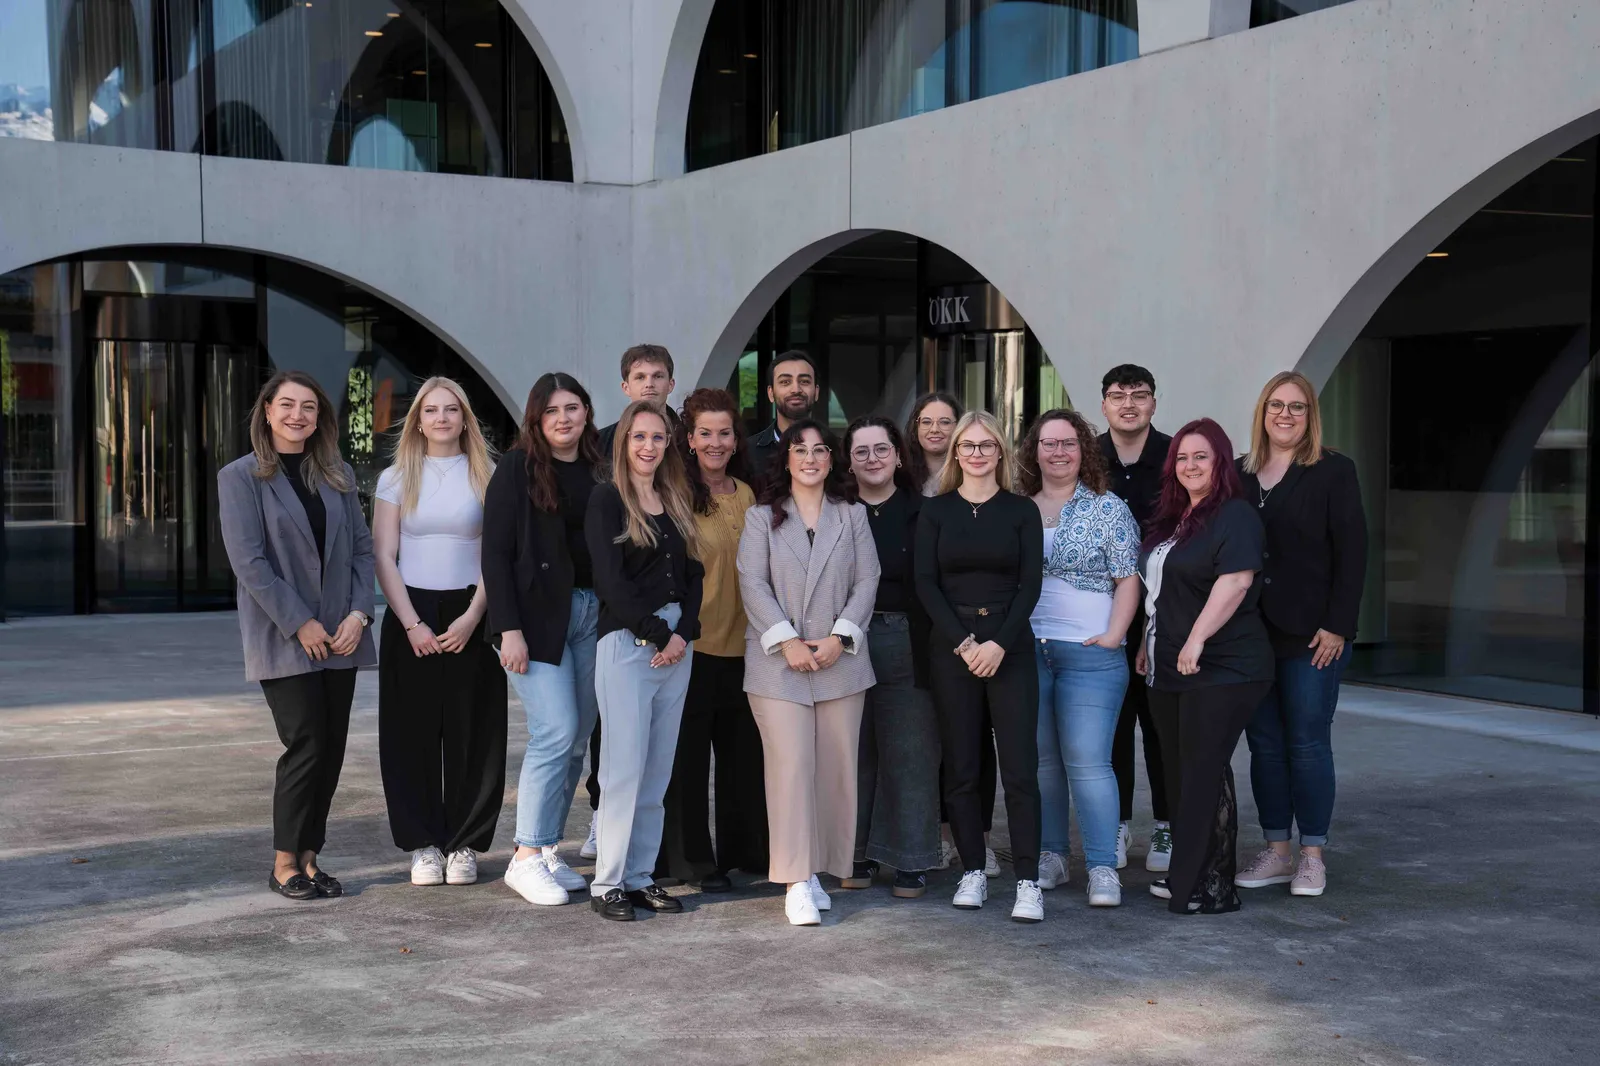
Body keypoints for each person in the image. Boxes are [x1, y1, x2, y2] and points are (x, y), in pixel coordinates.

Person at [217, 370, 375, 901]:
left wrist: (359, 615)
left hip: (342, 636)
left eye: (308, 407)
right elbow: (249, 562)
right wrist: (300, 622)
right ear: (267, 411)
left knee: (330, 748)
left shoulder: (338, 474)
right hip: (284, 633)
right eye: (287, 405)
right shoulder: (240, 477)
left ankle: (311, 858)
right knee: (305, 742)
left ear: (320, 418)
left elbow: (360, 550)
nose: (297, 415)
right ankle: (284, 861)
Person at [737, 420, 880, 926]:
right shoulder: (761, 518)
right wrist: (787, 640)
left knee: (835, 771)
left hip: (840, 660)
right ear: (787, 459)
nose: (811, 457)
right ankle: (796, 879)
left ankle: (819, 871)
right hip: (779, 664)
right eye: (801, 449)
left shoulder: (853, 516)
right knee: (791, 768)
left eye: (820, 449)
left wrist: (840, 637)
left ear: (831, 459)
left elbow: (868, 580)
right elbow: (752, 583)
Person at [1134, 418, 1274, 915]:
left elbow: (1234, 584)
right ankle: (1192, 874)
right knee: (1184, 773)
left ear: (1221, 463)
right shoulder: (1175, 518)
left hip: (1224, 665)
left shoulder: (1234, 516)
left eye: (1202, 457)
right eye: (1183, 458)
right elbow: (1162, 588)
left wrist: (1194, 640)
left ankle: (1206, 887)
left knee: (1200, 771)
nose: (1191, 466)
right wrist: (1152, 641)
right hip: (1169, 664)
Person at [1236, 370, 1367, 898]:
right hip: (1250, 634)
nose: (1285, 416)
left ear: (1311, 415)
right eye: (1276, 406)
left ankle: (1312, 855)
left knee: (1308, 744)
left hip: (1315, 635)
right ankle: (1277, 852)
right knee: (1265, 746)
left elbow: (1353, 553)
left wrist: (1339, 624)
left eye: (1296, 407)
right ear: (1262, 413)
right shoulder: (1241, 473)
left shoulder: (1333, 471)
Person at [374, 377, 505, 889]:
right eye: (432, 410)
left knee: (476, 732)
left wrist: (473, 616)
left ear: (466, 418)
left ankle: (465, 844)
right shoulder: (394, 477)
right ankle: (424, 845)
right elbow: (384, 555)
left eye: (452, 409)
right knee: (412, 736)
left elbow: (497, 554)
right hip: (412, 610)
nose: (443, 418)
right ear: (418, 419)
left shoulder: (489, 476)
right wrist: (411, 622)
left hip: (473, 608)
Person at [915, 411, 1046, 922]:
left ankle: (1028, 881)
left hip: (1009, 649)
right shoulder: (936, 512)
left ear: (1000, 452)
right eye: (966, 446)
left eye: (985, 445)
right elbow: (926, 583)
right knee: (963, 768)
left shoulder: (1021, 511)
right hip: (954, 650)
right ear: (955, 454)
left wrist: (997, 645)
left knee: (1020, 770)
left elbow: (1030, 584)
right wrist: (966, 642)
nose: (975, 453)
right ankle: (973, 869)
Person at [483, 372, 605, 907]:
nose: (563, 418)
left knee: (577, 737)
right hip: (534, 620)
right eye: (552, 410)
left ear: (586, 412)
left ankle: (550, 846)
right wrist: (508, 629)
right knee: (554, 731)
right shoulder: (516, 467)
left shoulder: (603, 465)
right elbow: (494, 553)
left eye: (572, 407)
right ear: (536, 416)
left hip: (592, 614)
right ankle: (526, 856)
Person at [585, 401, 704, 921]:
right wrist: (660, 634)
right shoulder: (606, 500)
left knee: (657, 773)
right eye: (639, 437)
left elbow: (696, 575)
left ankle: (639, 877)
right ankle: (606, 883)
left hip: (677, 647)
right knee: (623, 771)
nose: (648, 447)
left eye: (658, 438)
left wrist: (683, 633)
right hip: (630, 645)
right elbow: (610, 582)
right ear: (624, 442)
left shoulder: (675, 497)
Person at [1019, 409, 1140, 909]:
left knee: (1089, 763)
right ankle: (1051, 855)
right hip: (1027, 651)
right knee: (1044, 764)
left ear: (1084, 450)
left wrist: (1115, 634)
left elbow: (1129, 576)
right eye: (1049, 443)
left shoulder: (1107, 508)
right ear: (1035, 451)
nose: (1059, 452)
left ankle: (1102, 867)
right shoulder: (1017, 507)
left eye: (1069, 443)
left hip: (1090, 652)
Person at [654, 388, 768, 890]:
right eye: (706, 433)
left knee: (744, 758)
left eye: (725, 432)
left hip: (747, 645)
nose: (716, 442)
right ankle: (692, 862)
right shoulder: (674, 494)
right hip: (692, 646)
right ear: (689, 438)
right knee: (688, 760)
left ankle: (747, 853)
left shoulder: (747, 493)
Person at [842, 416, 940, 899]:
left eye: (881, 450)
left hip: (907, 639)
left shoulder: (926, 513)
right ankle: (853, 854)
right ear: (849, 461)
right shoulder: (836, 513)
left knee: (911, 752)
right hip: (845, 640)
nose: (872, 459)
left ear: (900, 456)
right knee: (853, 753)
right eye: (861, 452)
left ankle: (910, 861)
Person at [907, 392, 999, 877]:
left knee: (977, 740)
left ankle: (977, 841)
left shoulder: (994, 494)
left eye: (947, 422)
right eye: (928, 421)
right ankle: (944, 836)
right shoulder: (906, 484)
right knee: (940, 738)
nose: (937, 430)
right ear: (916, 427)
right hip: (929, 625)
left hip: (979, 629)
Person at [1098, 364, 1174, 872]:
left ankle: (1167, 827)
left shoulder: (1176, 456)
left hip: (1164, 613)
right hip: (1099, 614)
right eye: (1119, 396)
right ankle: (1119, 824)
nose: (1129, 404)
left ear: (1153, 402)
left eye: (1139, 395)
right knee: (1113, 725)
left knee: (1162, 725)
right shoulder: (1086, 459)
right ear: (1103, 403)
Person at [743, 351, 820, 489]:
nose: (796, 389)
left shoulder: (836, 451)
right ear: (771, 393)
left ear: (816, 392)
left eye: (804, 381)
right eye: (785, 382)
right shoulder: (747, 453)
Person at [597, 344, 678, 457]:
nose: (649, 384)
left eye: (658, 376)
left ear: (671, 384)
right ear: (626, 387)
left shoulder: (690, 438)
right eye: (640, 377)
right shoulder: (600, 443)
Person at [905, 392, 963, 498]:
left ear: (959, 426)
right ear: (915, 427)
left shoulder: (969, 474)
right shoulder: (901, 476)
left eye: (944, 422)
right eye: (926, 422)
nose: (934, 429)